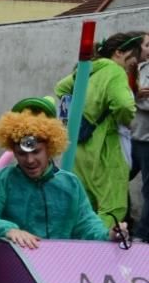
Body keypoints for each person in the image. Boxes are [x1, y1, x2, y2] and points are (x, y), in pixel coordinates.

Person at [0, 104, 125, 249]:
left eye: (36, 151)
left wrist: (108, 235)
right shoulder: (2, 180)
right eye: (22, 153)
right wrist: (9, 230)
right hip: (14, 262)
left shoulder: (70, 183)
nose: (30, 160)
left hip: (58, 265)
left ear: (49, 148)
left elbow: (86, 223)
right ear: (14, 151)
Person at [54, 31, 140, 227]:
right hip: (106, 150)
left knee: (83, 205)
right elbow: (124, 106)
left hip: (79, 148)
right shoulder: (115, 72)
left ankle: (76, 249)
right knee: (112, 208)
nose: (132, 64)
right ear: (119, 53)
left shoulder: (88, 69)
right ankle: (99, 251)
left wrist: (79, 115)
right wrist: (127, 121)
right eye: (132, 57)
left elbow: (61, 88)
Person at [134, 56, 149, 241]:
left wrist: (136, 98)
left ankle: (141, 235)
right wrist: (136, 95)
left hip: (147, 140)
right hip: (132, 135)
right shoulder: (140, 68)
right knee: (117, 183)